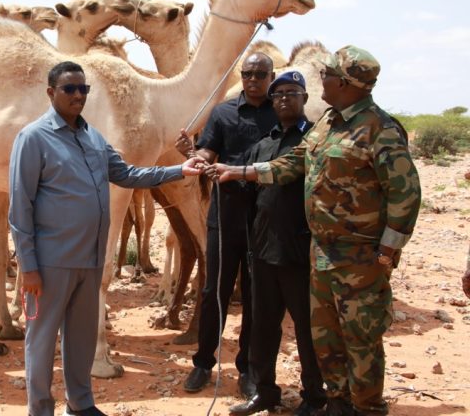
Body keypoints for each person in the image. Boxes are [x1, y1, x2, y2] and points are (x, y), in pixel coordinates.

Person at [208, 46, 421, 416]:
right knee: (327, 337)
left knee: (361, 338)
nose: (323, 78)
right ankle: (336, 403)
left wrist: (388, 251)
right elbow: (292, 162)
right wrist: (239, 171)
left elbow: (406, 193)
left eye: (328, 74)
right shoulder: (329, 123)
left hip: (361, 257)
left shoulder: (380, 129)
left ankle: (367, 407)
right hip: (321, 253)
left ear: (345, 82)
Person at [8, 60, 203, 416]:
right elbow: (20, 207)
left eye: (83, 89)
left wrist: (178, 170)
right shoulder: (33, 138)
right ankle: (40, 409)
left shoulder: (93, 137)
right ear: (51, 93)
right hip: (51, 263)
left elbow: (126, 173)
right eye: (70, 89)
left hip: (90, 260)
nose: (78, 95)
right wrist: (29, 266)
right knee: (40, 341)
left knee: (81, 340)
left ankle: (80, 404)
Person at [176, 52, 278, 395]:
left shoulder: (280, 114)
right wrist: (194, 154)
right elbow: (208, 152)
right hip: (225, 214)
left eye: (259, 74)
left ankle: (248, 370)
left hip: (264, 220)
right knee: (213, 292)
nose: (252, 79)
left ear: (271, 76)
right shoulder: (223, 113)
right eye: (247, 73)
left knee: (255, 296)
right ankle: (203, 363)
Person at [227, 71, 326, 416]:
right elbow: (242, 185)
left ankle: (314, 396)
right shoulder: (264, 144)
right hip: (265, 252)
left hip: (300, 253)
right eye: (279, 94)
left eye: (292, 93)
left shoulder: (315, 140)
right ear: (272, 102)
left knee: (307, 330)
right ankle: (265, 391)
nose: (285, 98)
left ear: (304, 99)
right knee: (263, 328)